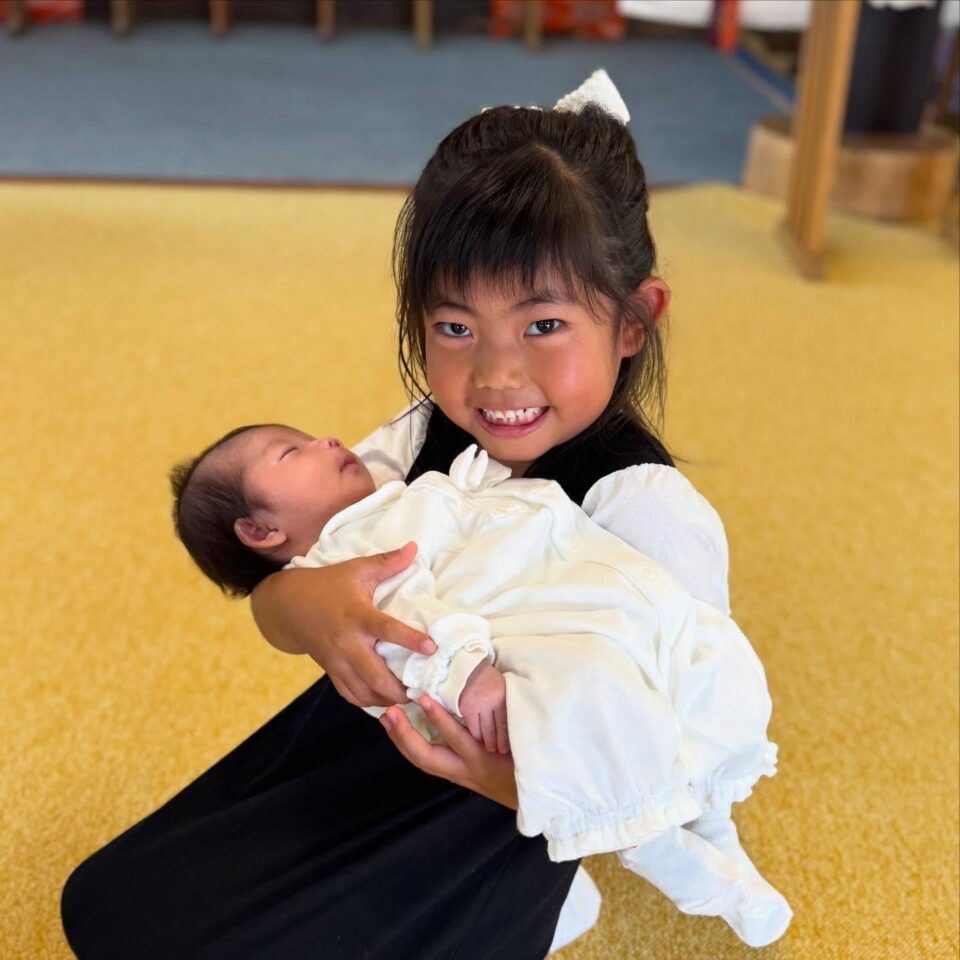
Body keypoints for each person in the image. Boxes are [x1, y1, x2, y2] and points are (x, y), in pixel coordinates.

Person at [61, 70, 781, 958]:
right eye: (455, 329)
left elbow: (684, 734)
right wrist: (307, 607)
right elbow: (284, 584)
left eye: (543, 326)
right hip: (365, 742)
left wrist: (513, 784)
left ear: (634, 321)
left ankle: (551, 902)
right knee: (109, 909)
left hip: (490, 816)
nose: (496, 376)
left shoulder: (647, 508)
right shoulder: (422, 434)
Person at [168, 422, 791, 947]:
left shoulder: (384, 493)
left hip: (597, 600)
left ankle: (708, 815)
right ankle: (654, 842)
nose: (326, 439)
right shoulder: (348, 550)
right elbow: (405, 624)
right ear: (260, 532)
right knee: (597, 706)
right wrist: (467, 676)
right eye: (291, 451)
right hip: (512, 656)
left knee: (716, 664)